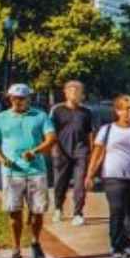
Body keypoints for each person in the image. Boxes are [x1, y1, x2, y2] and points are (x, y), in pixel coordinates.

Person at [0, 83, 57, 258]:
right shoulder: (1, 118)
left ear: (29, 98)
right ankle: (16, 251)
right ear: (9, 98)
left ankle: (35, 241)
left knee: (38, 211)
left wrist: (36, 151)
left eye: (22, 98)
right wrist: (1, 159)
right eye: (14, 98)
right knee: (14, 212)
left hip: (36, 171)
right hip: (12, 172)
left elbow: (51, 139)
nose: (18, 101)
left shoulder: (40, 116)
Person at [83, 94, 130, 258]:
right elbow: (97, 154)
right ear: (117, 111)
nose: (129, 113)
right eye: (125, 110)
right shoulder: (107, 129)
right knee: (117, 210)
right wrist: (89, 174)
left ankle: (128, 244)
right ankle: (116, 246)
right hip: (113, 175)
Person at [49, 80, 95, 226]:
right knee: (60, 183)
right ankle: (58, 208)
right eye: (71, 90)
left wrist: (92, 152)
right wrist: (54, 149)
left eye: (78, 91)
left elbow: (90, 133)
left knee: (80, 184)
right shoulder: (57, 110)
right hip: (62, 152)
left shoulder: (86, 112)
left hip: (80, 152)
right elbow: (50, 132)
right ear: (65, 92)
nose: (74, 93)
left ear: (82, 94)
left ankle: (78, 213)